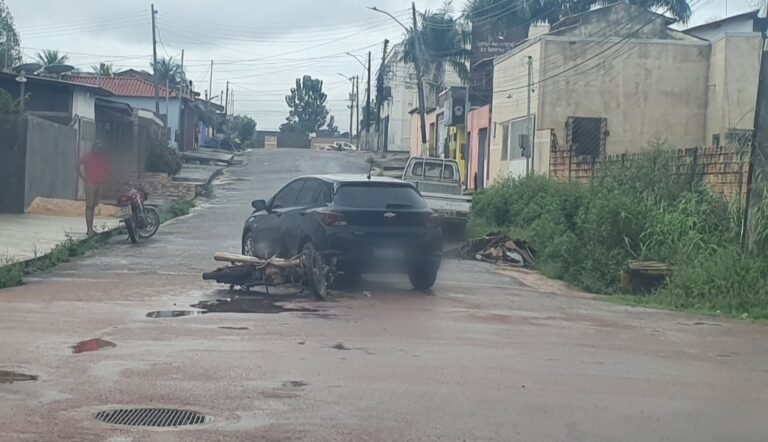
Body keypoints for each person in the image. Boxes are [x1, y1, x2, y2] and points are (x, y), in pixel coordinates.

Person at [76, 140, 109, 236]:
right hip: (90, 183)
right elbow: (77, 165)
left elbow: (106, 170)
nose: (100, 151)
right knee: (89, 206)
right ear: (94, 149)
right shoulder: (88, 156)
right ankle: (89, 229)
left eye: (101, 150)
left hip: (99, 183)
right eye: (98, 149)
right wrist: (82, 177)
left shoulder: (102, 158)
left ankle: (91, 228)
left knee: (93, 206)